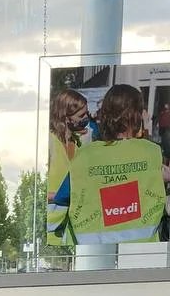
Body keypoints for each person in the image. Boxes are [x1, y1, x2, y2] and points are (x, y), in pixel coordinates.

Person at [68, 83, 170, 245]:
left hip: (93, 253)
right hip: (144, 252)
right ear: (136, 115)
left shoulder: (83, 155)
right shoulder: (151, 152)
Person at [46, 88, 91, 245]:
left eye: (87, 113)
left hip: (70, 224)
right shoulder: (50, 142)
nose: (87, 118)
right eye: (81, 115)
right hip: (50, 226)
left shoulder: (76, 142)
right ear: (66, 117)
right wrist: (58, 196)